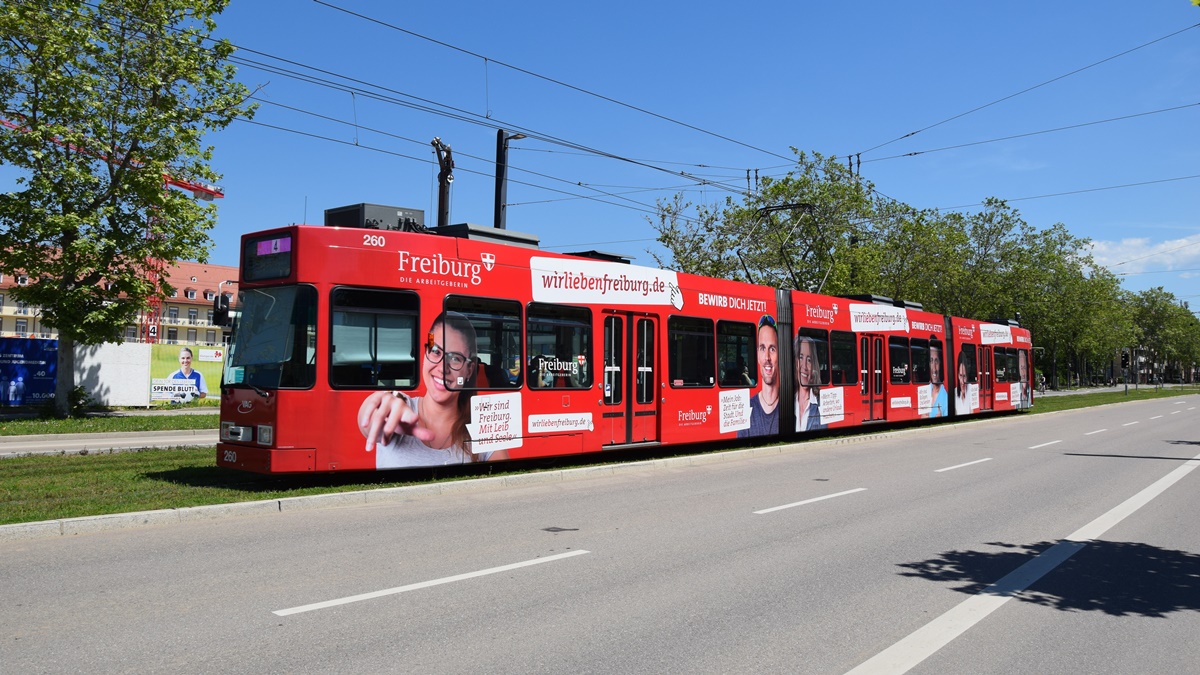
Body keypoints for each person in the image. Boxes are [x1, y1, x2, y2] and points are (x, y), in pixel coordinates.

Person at [358, 311, 504, 467]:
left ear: (469, 369)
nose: (442, 367)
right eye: (436, 352)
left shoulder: (483, 428)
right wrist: (380, 415)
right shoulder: (400, 406)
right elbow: (371, 419)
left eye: (455, 358)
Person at [737, 315, 780, 438]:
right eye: (762, 348)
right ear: (757, 355)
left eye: (772, 349)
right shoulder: (747, 409)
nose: (767, 357)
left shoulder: (794, 405)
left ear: (779, 354)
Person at [795, 334, 827, 432]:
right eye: (800, 357)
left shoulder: (821, 404)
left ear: (814, 365)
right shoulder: (784, 401)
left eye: (809, 360)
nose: (804, 366)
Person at [928, 341, 948, 417]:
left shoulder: (945, 396)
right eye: (931, 361)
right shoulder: (926, 389)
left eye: (936, 361)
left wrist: (941, 417)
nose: (934, 368)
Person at [953, 350, 973, 415]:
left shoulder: (971, 389)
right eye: (961, 376)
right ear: (958, 375)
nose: (963, 381)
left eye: (964, 376)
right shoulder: (955, 393)